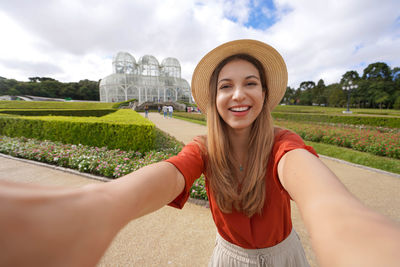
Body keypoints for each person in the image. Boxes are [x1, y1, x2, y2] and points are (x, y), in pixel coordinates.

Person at [1, 39, 400, 267]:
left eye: (250, 83)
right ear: (213, 97)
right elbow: (169, 173)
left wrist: (352, 232)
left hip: (286, 257)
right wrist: (100, 204)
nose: (238, 94)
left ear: (264, 93)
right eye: (225, 85)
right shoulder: (204, 147)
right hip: (230, 259)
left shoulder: (283, 143)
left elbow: (325, 199)